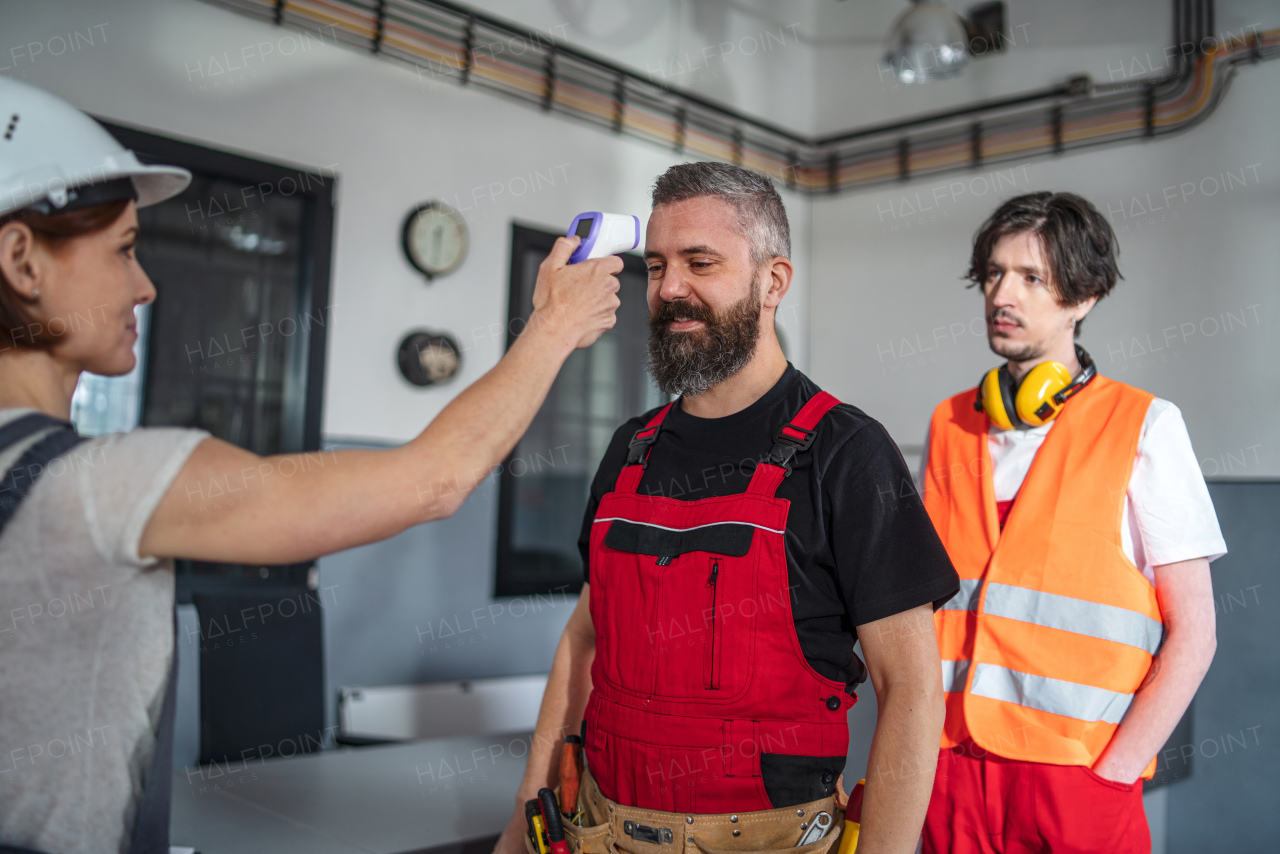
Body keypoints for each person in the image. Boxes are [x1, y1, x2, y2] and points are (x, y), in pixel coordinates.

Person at [0, 79, 622, 854]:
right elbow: (434, 480)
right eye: (124, 249)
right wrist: (556, 326)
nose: (146, 284)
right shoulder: (97, 486)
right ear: (22, 260)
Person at [493, 162, 959, 854]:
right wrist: (523, 822)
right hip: (599, 832)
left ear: (773, 282)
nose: (670, 289)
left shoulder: (846, 452)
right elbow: (582, 645)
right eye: (655, 267)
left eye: (699, 263)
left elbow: (914, 689)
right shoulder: (631, 449)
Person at [918, 192, 1225, 854]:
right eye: (995, 274)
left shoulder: (1145, 426)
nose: (1004, 293)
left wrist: (1113, 773)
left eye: (1032, 278)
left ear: (1083, 298)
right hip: (949, 768)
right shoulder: (950, 424)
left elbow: (1195, 634)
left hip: (1076, 778)